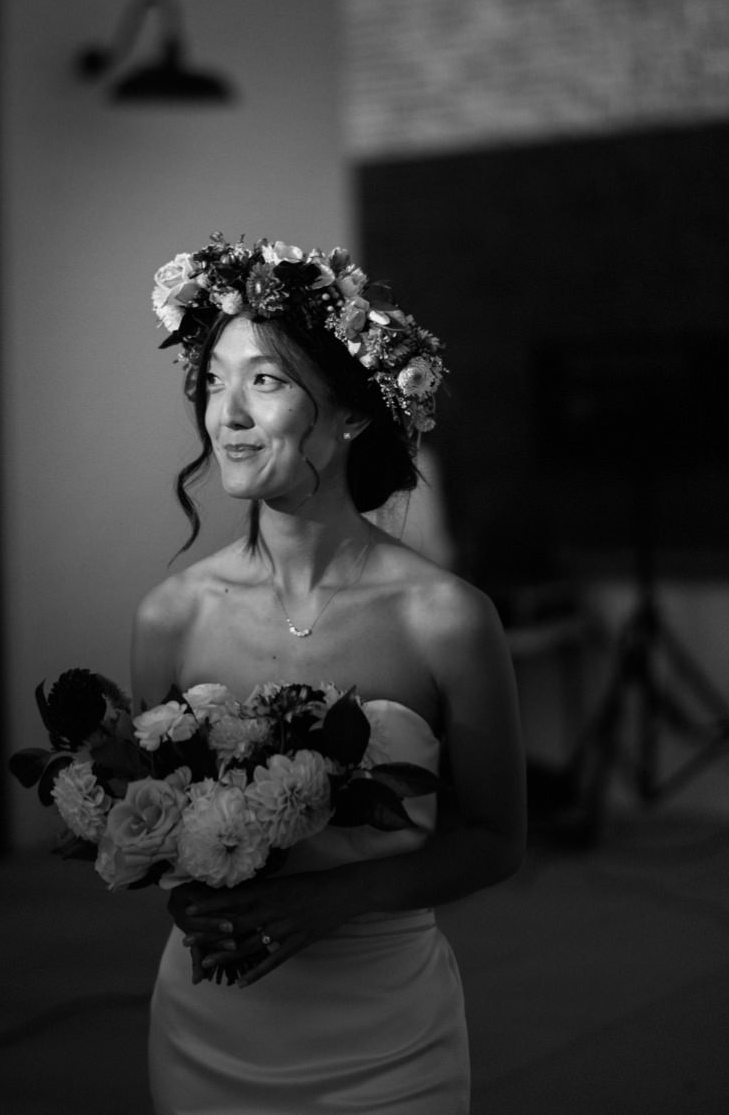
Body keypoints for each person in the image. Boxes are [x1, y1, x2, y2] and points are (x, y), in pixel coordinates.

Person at [135, 238, 525, 1113]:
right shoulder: (171, 617)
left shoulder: (448, 618)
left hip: (387, 1035)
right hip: (212, 1027)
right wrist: (179, 886)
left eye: (264, 382)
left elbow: (497, 838)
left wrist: (336, 898)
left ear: (349, 415)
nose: (225, 413)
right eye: (213, 382)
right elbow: (153, 825)